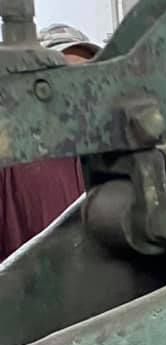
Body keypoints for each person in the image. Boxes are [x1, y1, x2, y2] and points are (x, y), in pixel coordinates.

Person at [0, 25, 101, 262]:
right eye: (64, 74)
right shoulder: (12, 160)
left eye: (87, 74)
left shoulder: (112, 155)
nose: (77, 88)